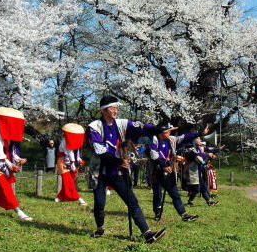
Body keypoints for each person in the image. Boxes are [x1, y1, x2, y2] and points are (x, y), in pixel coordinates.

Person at [88, 95, 166, 243]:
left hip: (117, 171)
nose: (116, 110)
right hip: (99, 171)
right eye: (113, 108)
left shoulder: (121, 124)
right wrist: (119, 161)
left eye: (117, 107)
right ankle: (100, 229)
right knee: (99, 203)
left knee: (132, 201)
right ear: (104, 110)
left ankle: (147, 233)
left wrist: (156, 129)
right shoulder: (94, 127)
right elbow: (101, 152)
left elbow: (140, 127)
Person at [0, 107, 32, 220]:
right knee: (6, 187)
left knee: (4, 187)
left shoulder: (9, 132)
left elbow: (11, 151)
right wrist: (11, 165)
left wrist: (18, 159)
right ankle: (19, 211)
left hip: (5, 162)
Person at [149, 122, 199, 221]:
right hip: (157, 170)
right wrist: (163, 165)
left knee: (174, 193)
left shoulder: (171, 140)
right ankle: (157, 212)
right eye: (167, 131)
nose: (169, 132)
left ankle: (183, 214)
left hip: (169, 170)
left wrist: (199, 133)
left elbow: (184, 137)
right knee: (157, 193)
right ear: (161, 132)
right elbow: (154, 154)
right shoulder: (154, 140)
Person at [55, 123, 87, 206]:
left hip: (72, 163)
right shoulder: (64, 141)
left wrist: (79, 159)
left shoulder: (75, 141)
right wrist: (72, 163)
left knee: (70, 180)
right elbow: (69, 152)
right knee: (68, 182)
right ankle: (78, 198)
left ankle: (60, 197)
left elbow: (76, 152)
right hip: (63, 163)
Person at [185, 137, 218, 207]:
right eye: (199, 139)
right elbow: (197, 156)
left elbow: (208, 150)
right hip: (192, 172)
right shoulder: (190, 148)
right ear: (194, 140)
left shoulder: (199, 148)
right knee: (196, 189)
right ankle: (190, 201)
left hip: (198, 171)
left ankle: (209, 201)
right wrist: (207, 155)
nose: (200, 140)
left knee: (203, 187)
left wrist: (218, 149)